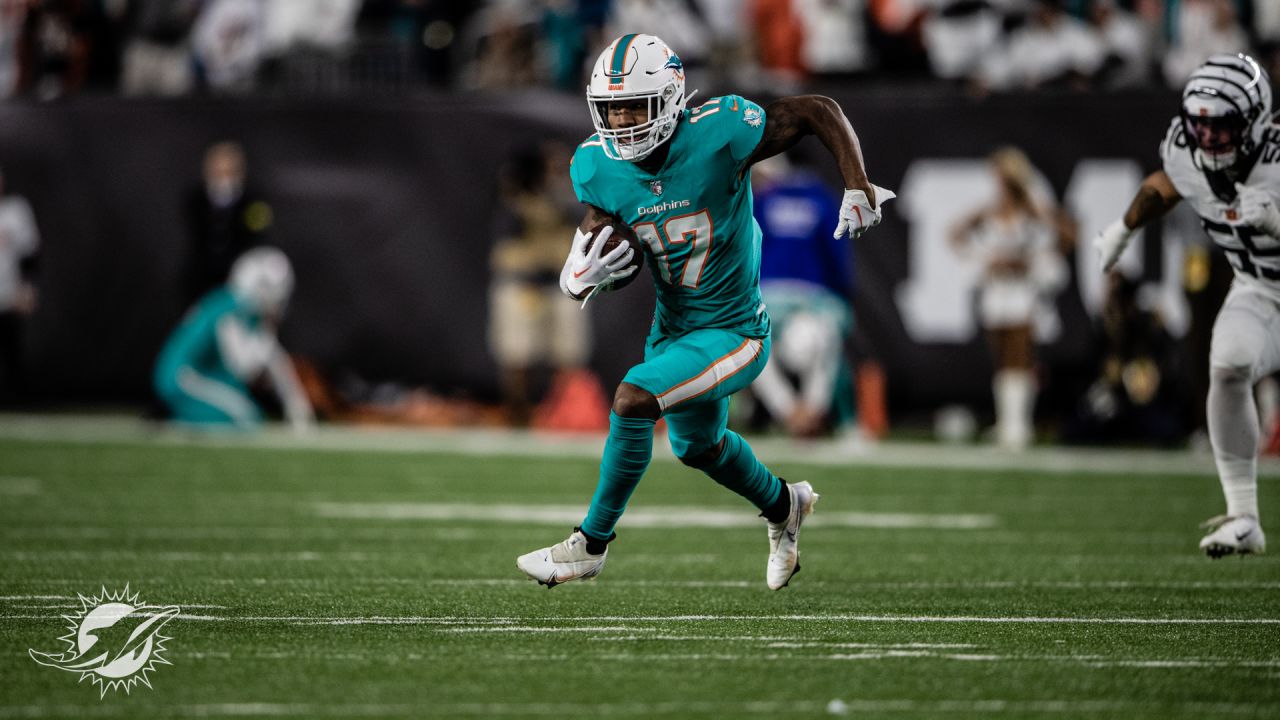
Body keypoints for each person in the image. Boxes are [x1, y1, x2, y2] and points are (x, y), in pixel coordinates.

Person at [516, 33, 892, 590]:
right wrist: (580, 278)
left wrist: (857, 185)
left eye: (634, 106)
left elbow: (819, 110)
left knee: (634, 397)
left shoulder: (720, 131)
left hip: (735, 328)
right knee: (699, 448)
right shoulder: (596, 166)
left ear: (670, 99)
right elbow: (598, 243)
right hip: (673, 329)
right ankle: (784, 505)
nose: (620, 122)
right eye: (611, 108)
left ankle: (590, 544)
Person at [1094, 53, 1275, 558]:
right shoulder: (1185, 149)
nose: (1209, 137)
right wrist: (1124, 229)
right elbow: (1166, 185)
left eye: (1222, 126)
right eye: (1201, 124)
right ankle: (1244, 517)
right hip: (1262, 287)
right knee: (1229, 362)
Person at [949, 147, 1067, 451]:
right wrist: (984, 260)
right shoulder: (990, 209)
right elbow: (954, 233)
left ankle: (1019, 425)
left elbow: (1066, 235)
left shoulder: (1032, 208)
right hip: (996, 291)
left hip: (1023, 290)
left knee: (1020, 356)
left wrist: (1028, 261)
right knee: (1002, 358)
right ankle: (1008, 423)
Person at [154, 246, 313, 432]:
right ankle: (177, 421)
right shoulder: (230, 310)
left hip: (198, 375)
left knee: (251, 414)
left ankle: (180, 417)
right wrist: (264, 355)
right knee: (246, 419)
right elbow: (242, 367)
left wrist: (294, 399)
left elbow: (273, 358)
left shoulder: (239, 309)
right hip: (184, 377)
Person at [184, 141, 272, 305]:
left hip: (240, 280)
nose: (223, 180)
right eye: (218, 172)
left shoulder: (255, 202)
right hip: (201, 279)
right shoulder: (195, 200)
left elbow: (258, 236)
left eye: (229, 172)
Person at [0, 168, 40, 404]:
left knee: (12, 350)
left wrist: (28, 287)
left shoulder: (15, 211)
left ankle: (17, 400)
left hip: (8, 294)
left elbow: (31, 254)